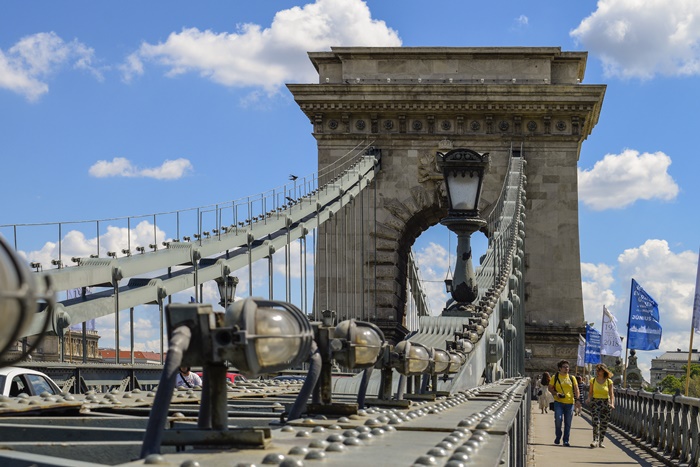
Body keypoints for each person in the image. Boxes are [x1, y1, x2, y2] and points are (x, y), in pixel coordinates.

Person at [548, 359, 581, 446]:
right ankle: (558, 436)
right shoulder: (555, 377)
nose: (566, 368)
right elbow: (550, 388)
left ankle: (566, 440)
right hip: (558, 402)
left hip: (570, 403)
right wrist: (556, 393)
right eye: (564, 367)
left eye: (567, 367)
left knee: (568, 422)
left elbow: (576, 389)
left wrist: (577, 399)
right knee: (558, 420)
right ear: (560, 368)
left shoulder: (572, 378)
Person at [586, 363, 615, 448]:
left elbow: (611, 394)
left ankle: (601, 441)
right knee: (595, 422)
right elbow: (591, 392)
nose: (598, 372)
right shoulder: (593, 380)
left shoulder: (609, 381)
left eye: (599, 370)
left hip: (606, 403)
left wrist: (612, 404)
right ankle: (595, 440)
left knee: (604, 423)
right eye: (597, 370)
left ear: (604, 371)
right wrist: (588, 398)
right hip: (595, 402)